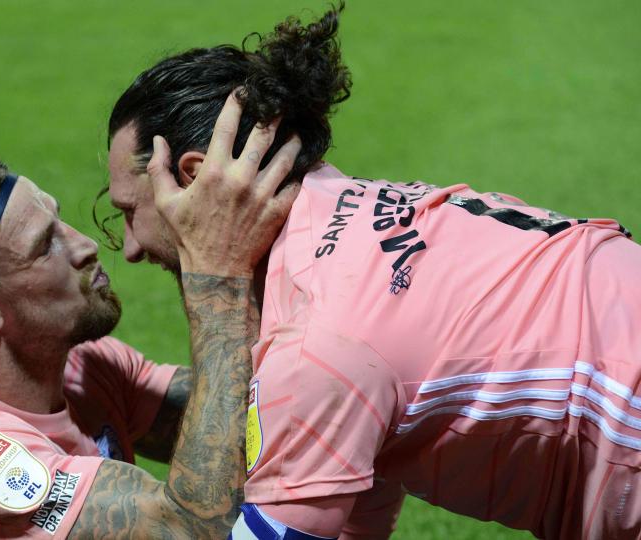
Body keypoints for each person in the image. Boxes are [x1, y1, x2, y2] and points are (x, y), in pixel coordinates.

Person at [103, 6, 641, 540]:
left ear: (196, 179)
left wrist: (215, 288)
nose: (128, 248)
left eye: (130, 212)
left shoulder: (314, 345)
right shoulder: (338, 210)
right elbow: (355, 473)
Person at [0, 158, 297, 538]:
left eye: (59, 220)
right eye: (45, 245)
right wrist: (218, 276)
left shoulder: (83, 366)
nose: (85, 245)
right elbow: (194, 529)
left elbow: (256, 420)